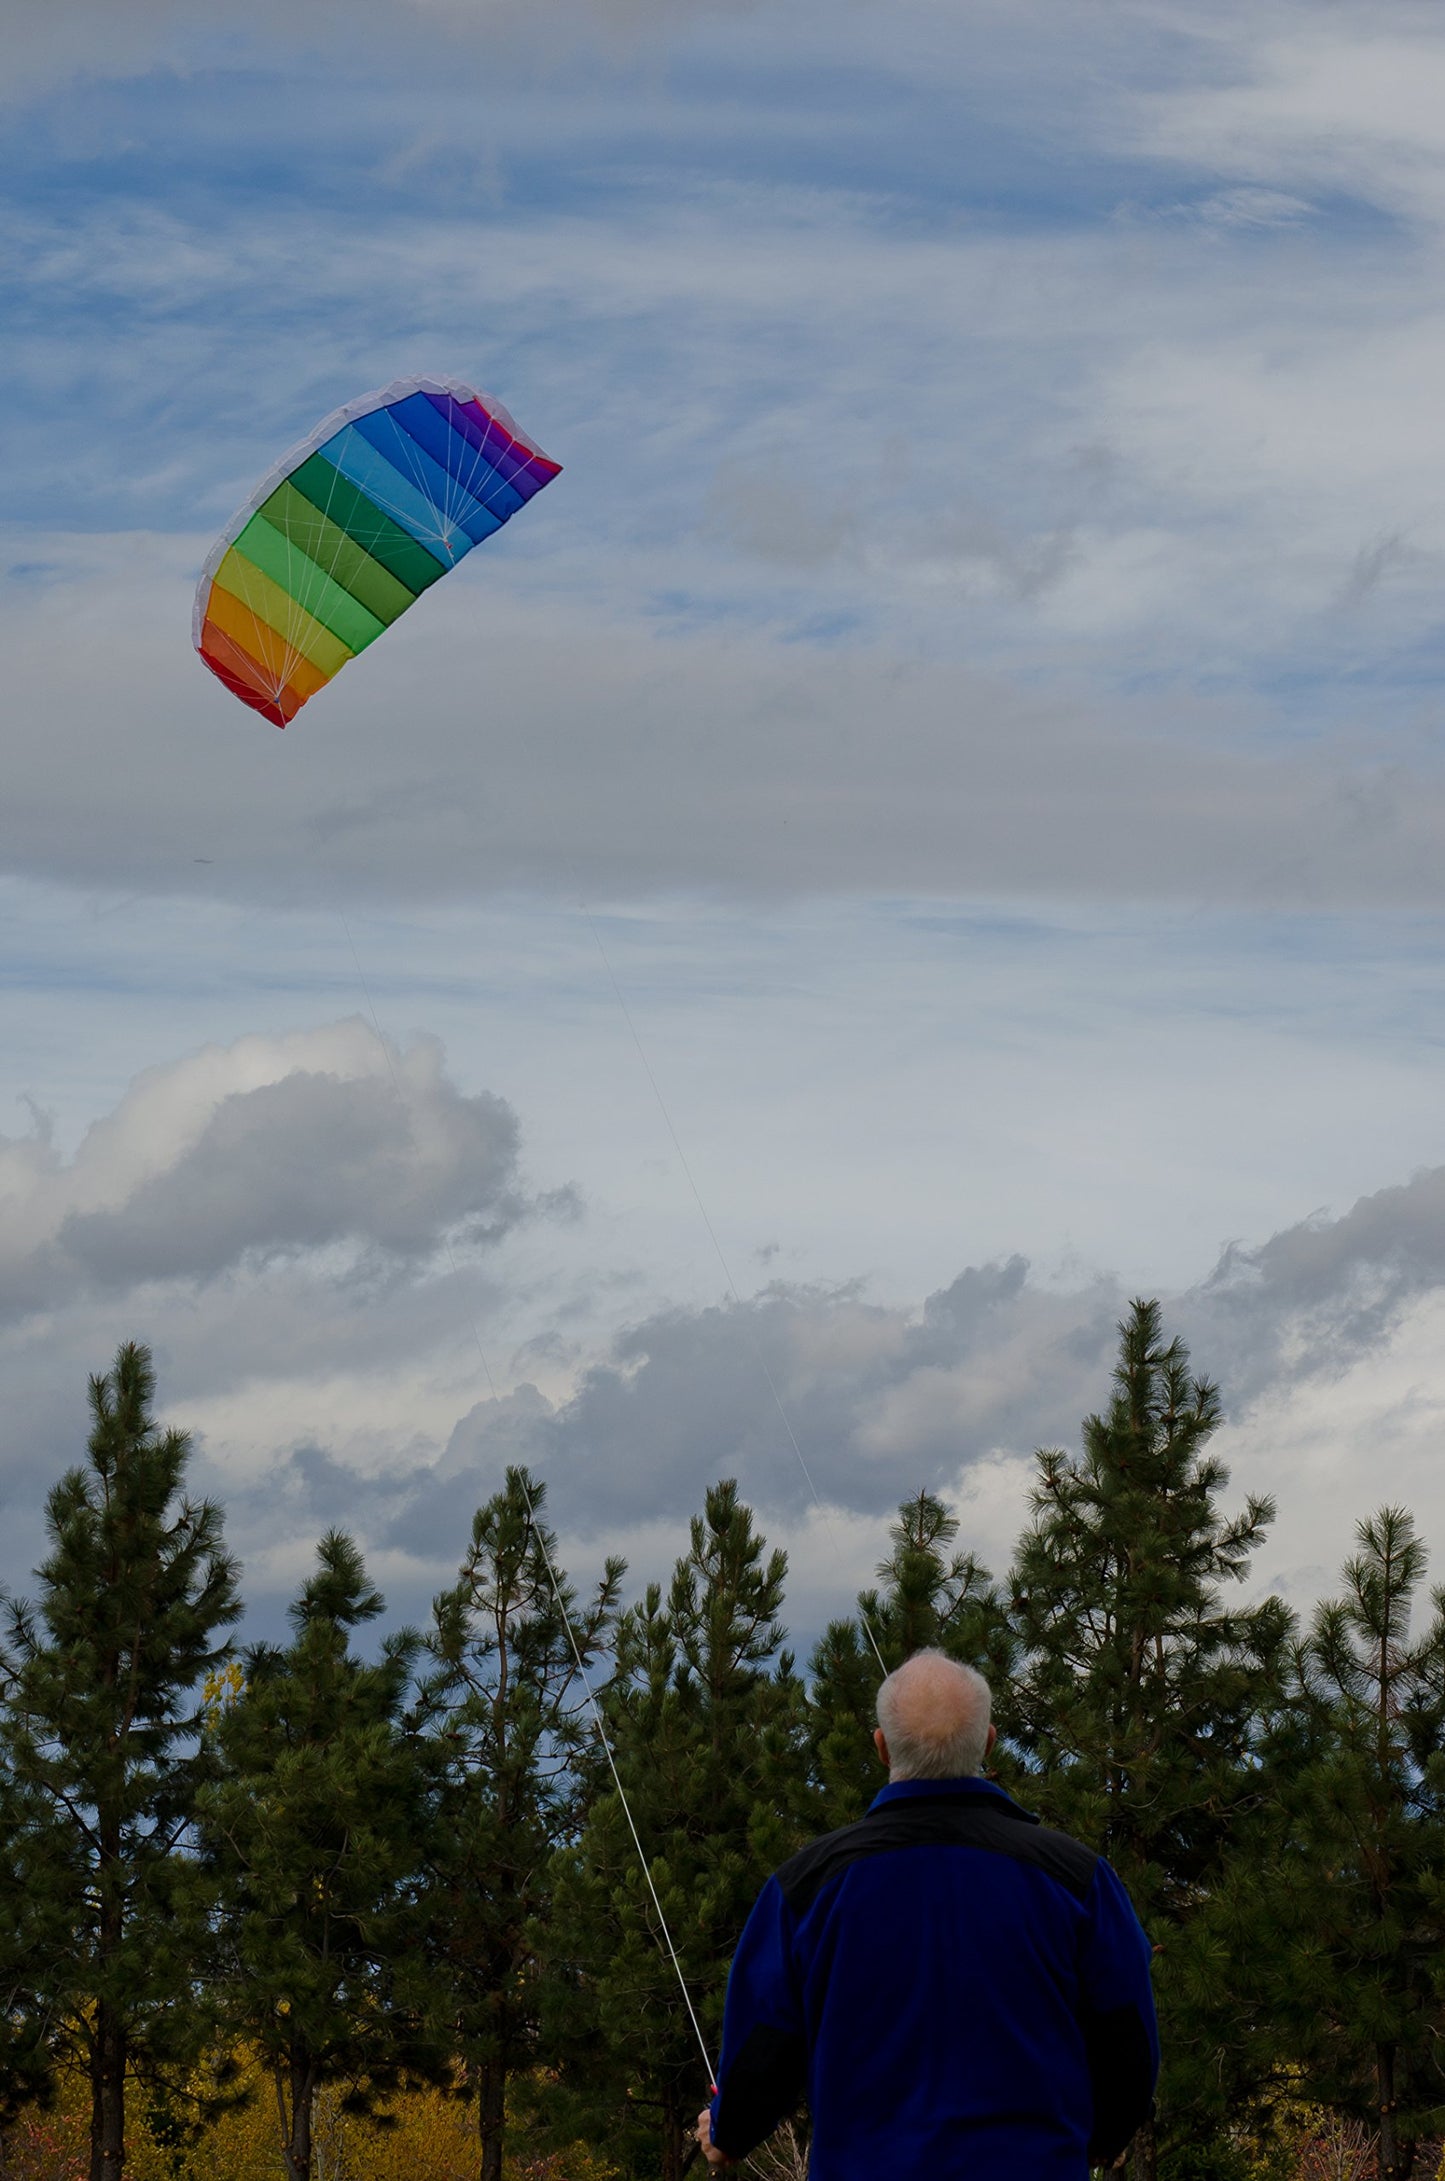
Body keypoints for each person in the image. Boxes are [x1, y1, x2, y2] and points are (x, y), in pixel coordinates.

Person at [695, 1650, 1158, 2179]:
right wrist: (1103, 2137)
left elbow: (764, 2042)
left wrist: (729, 2131)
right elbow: (1128, 2037)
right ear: (989, 1742)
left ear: (881, 1746)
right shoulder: (1076, 1879)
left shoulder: (806, 1887)